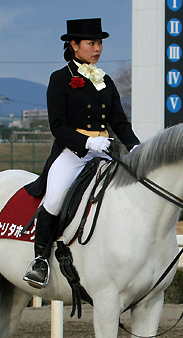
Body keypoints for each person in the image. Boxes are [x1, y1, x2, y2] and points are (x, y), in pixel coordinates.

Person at [22, 18, 140, 288]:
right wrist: (87, 143)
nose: (97, 48)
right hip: (73, 153)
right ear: (74, 45)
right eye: (91, 43)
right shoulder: (60, 79)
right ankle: (39, 260)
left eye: (99, 43)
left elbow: (119, 122)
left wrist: (135, 147)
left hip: (105, 152)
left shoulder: (105, 81)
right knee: (54, 198)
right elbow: (57, 126)